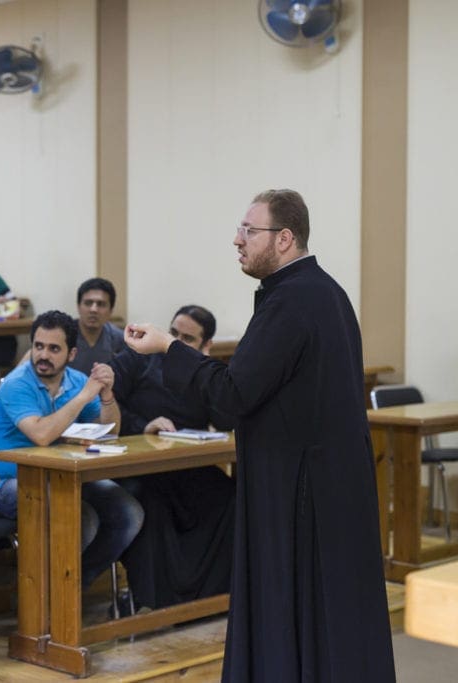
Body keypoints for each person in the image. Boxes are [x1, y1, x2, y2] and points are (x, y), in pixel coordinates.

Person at [123, 189, 394, 681]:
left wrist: (169, 348)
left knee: (293, 603)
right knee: (324, 611)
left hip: (297, 487)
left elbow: (231, 395)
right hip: (323, 480)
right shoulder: (324, 292)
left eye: (249, 230)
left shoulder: (291, 301)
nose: (237, 240)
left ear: (285, 238)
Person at [0, 310, 143, 591]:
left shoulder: (77, 380)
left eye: (54, 349)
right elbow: (42, 435)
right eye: (38, 346)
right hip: (8, 483)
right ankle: (50, 602)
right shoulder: (16, 384)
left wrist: (106, 396)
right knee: (82, 519)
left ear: (71, 354)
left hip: (61, 476)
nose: (43, 355)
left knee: (128, 512)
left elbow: (111, 432)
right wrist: (85, 396)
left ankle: (73, 589)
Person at [110, 304, 236, 610]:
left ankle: (209, 598)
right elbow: (109, 404)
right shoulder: (137, 360)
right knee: (152, 503)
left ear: (205, 346)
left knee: (230, 498)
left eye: (188, 339)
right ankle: (152, 603)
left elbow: (224, 420)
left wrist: (205, 370)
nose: (177, 342)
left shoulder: (205, 370)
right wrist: (144, 427)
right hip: (140, 465)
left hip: (186, 465)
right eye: (174, 333)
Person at [70, 277, 126, 374]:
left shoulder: (120, 340)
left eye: (101, 304)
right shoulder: (64, 335)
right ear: (78, 306)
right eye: (88, 303)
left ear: (111, 310)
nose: (94, 309)